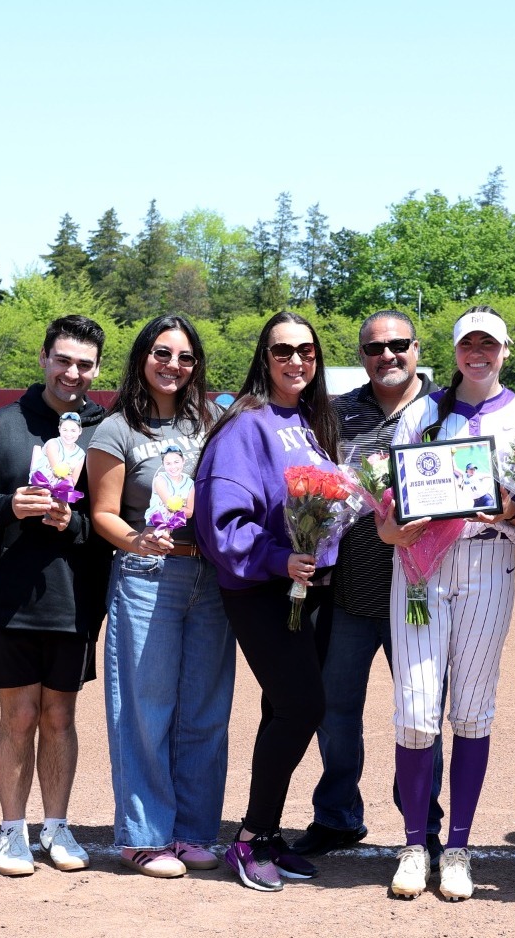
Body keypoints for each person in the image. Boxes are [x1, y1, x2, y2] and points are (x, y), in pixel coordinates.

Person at [372, 307, 515, 901]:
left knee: (472, 711)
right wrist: (391, 531)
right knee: (416, 712)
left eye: (488, 344)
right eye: (468, 343)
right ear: (454, 349)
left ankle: (460, 849)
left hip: (489, 562)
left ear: (505, 349)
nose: (478, 353)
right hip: (420, 567)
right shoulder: (422, 411)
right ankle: (416, 844)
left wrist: (508, 510)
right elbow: (390, 502)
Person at [0, 315, 111, 877]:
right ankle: (12, 831)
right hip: (4, 599)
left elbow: (114, 520)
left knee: (59, 716)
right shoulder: (1, 427)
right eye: (63, 359)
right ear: (44, 357)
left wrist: (76, 523)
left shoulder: (104, 432)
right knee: (18, 715)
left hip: (74, 601)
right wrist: (6, 506)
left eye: (84, 364)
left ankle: (57, 826)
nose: (73, 372)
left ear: (96, 369)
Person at [194, 311, 344, 892]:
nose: (296, 361)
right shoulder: (246, 426)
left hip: (303, 589)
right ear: (265, 357)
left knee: (282, 710)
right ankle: (251, 837)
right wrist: (277, 559)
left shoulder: (306, 420)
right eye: (283, 352)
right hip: (262, 589)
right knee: (302, 706)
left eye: (306, 351)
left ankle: (268, 834)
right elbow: (220, 521)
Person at [86, 314, 234, 879]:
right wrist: (137, 538)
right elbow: (101, 512)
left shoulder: (215, 421)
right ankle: (144, 837)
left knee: (205, 709)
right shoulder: (117, 428)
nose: (174, 366)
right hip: (147, 574)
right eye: (162, 354)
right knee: (145, 709)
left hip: (211, 579)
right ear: (143, 356)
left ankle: (194, 830)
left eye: (185, 357)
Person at [291, 309, 441, 859]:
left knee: (421, 711)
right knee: (335, 710)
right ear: (361, 356)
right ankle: (336, 815)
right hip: (352, 592)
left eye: (398, 344)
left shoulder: (442, 410)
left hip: (423, 591)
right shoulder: (334, 413)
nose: (388, 356)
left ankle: (422, 821)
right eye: (375, 348)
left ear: (417, 348)